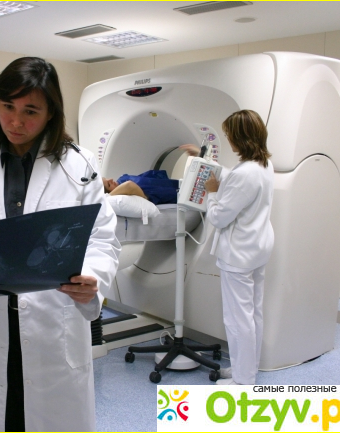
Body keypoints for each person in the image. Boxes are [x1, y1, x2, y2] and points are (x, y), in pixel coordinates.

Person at [0, 57, 120, 431]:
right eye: (8, 107)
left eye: (30, 111)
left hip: (55, 315)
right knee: (5, 414)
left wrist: (92, 278)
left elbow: (102, 238)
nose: (16, 121)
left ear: (51, 112)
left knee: (54, 417)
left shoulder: (79, 166)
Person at [182, 109, 274, 385]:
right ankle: (247, 369)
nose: (229, 140)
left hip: (239, 254)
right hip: (257, 248)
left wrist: (211, 193)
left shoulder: (244, 174)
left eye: (230, 135)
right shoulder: (264, 165)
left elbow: (219, 217)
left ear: (240, 137)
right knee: (254, 313)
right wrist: (206, 163)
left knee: (238, 319)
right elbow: (235, 183)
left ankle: (243, 381)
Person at [103, 169, 180, 204]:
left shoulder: (121, 179)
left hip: (170, 183)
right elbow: (129, 185)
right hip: (171, 192)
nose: (111, 179)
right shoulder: (125, 193)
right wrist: (107, 197)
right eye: (109, 184)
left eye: (106, 178)